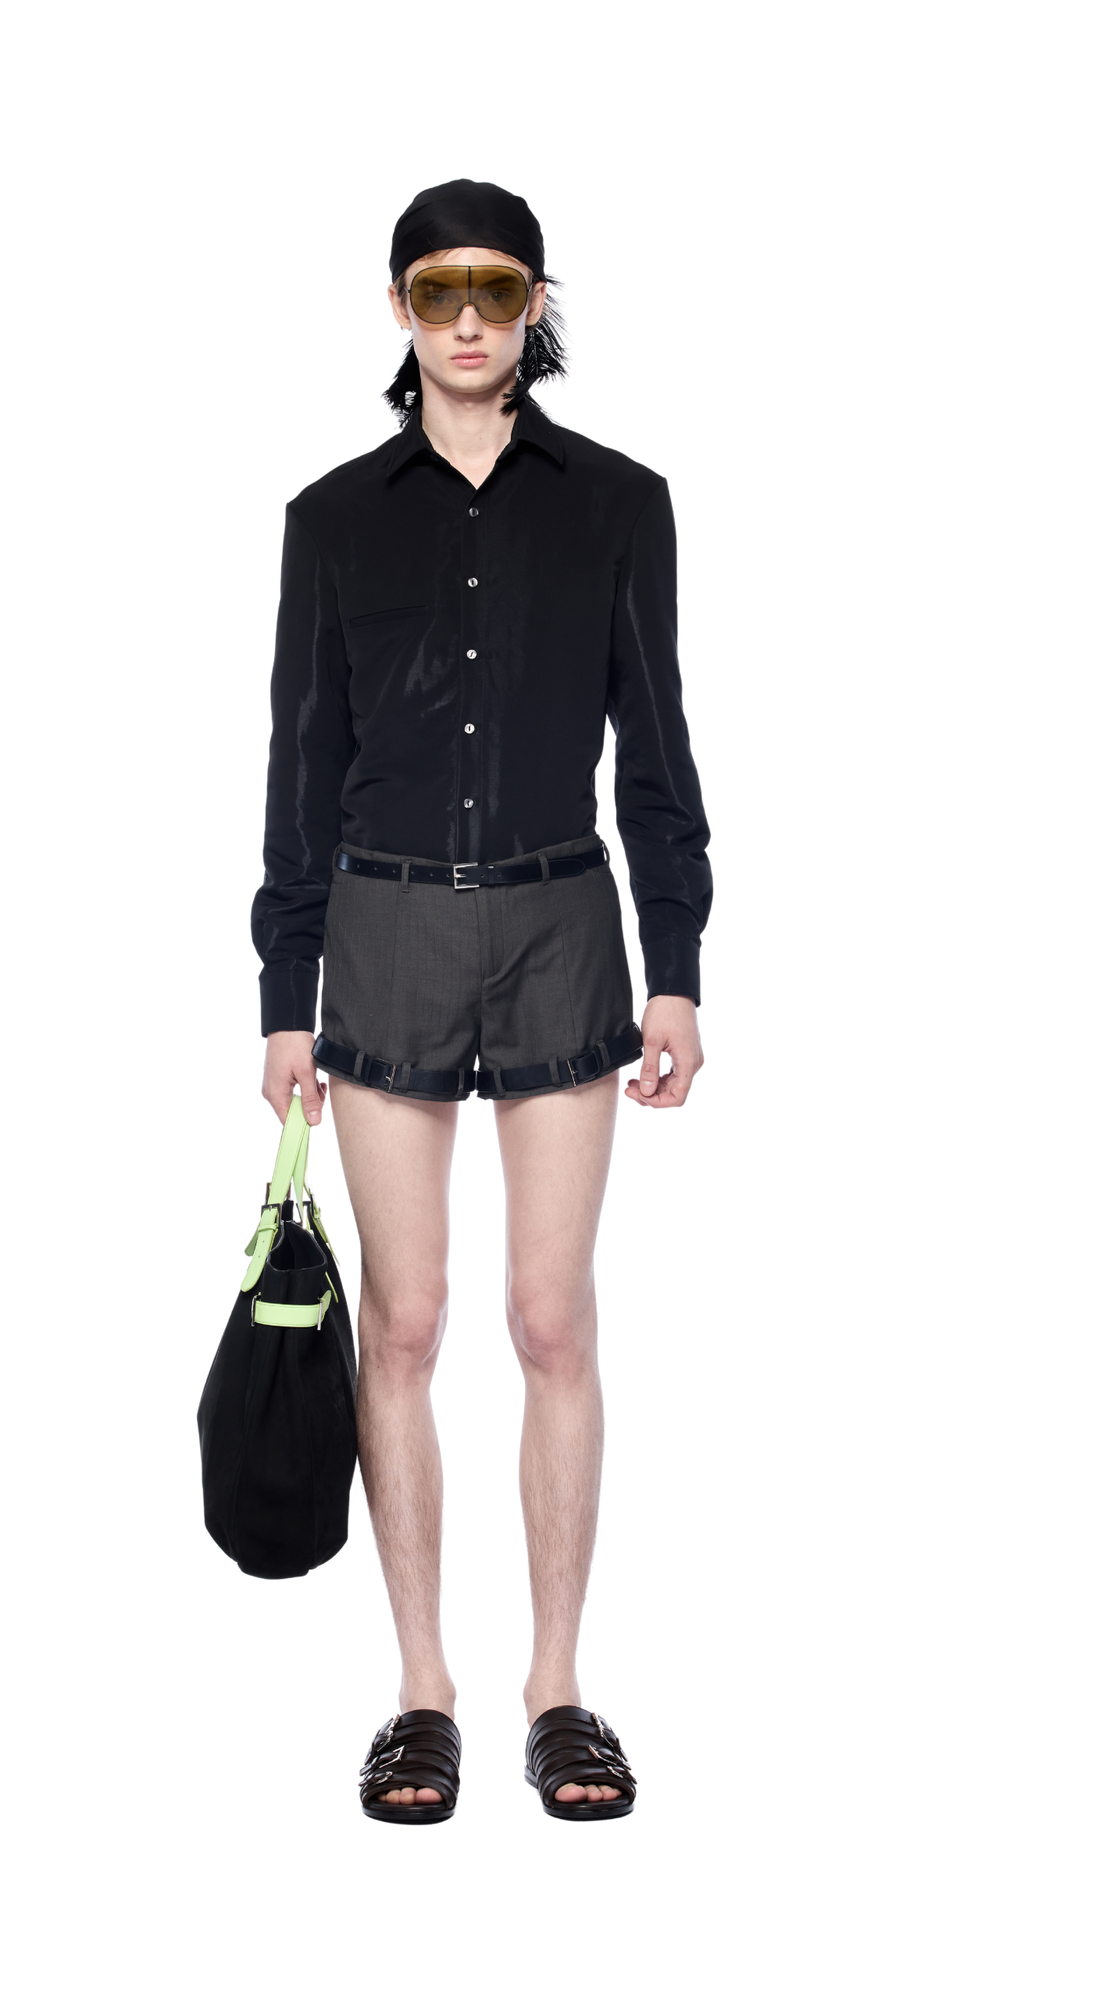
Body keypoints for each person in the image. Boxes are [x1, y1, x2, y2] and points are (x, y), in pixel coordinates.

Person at [251, 179, 712, 1823]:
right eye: (437, 288)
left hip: (561, 923)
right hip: (379, 924)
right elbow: (301, 765)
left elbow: (657, 750)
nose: (466, 317)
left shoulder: (620, 505)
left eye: (496, 288)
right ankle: (422, 1690)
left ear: (534, 304)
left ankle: (558, 1686)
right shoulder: (331, 520)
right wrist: (284, 990)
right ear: (400, 308)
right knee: (404, 1319)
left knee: (551, 1317)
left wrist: (678, 967)